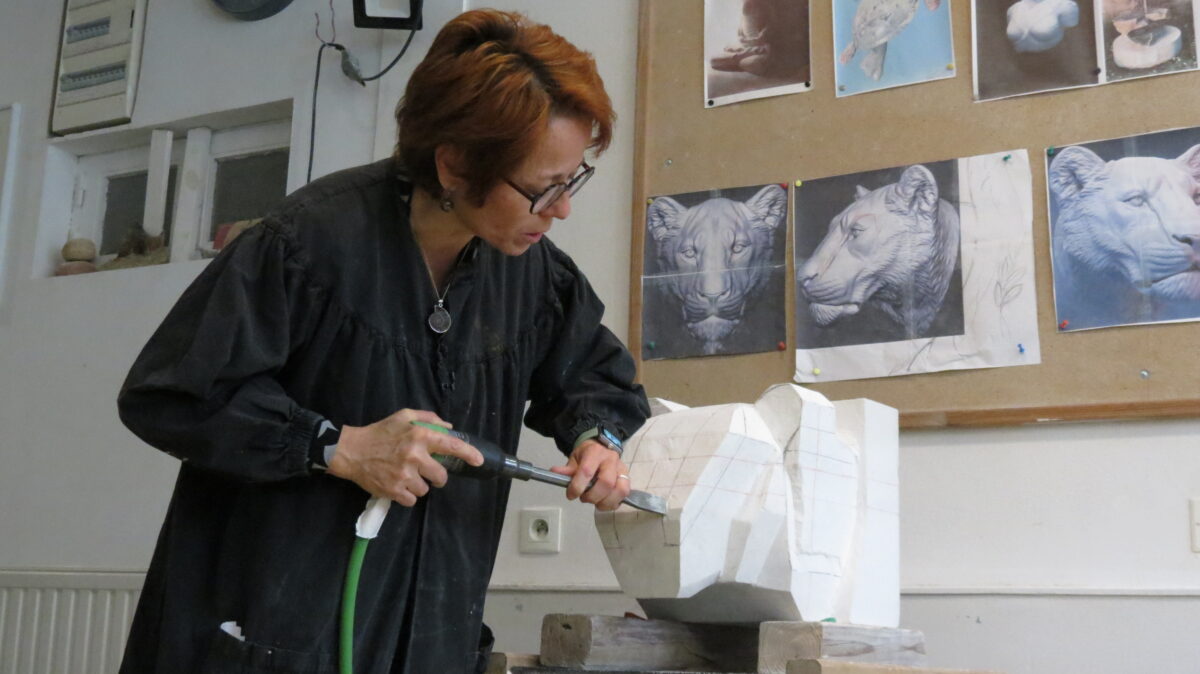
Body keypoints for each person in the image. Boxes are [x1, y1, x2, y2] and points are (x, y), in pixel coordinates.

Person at [115, 9, 649, 673]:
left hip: (427, 636)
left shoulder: (535, 279)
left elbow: (593, 378)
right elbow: (171, 393)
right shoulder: (307, 247)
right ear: (454, 165)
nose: (562, 209)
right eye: (541, 190)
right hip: (266, 636)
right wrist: (335, 445)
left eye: (572, 181)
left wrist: (597, 438)